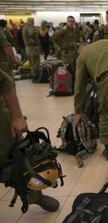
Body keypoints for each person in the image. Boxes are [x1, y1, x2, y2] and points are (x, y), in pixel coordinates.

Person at [0, 68, 59, 212]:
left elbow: (4, 82)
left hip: (2, 131)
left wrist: (17, 116)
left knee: (20, 164)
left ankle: (35, 196)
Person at [73, 39, 108, 161]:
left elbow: (79, 87)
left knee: (106, 112)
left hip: (107, 79)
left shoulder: (81, 57)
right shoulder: (106, 41)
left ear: (80, 49)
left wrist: (77, 111)